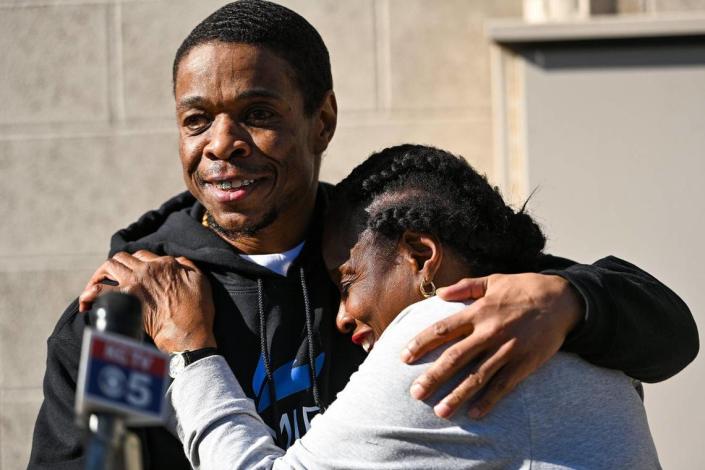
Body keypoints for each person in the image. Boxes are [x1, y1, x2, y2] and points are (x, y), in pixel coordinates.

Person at [29, 1, 697, 469]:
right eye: (196, 119)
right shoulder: (136, 311)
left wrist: (569, 299)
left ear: (321, 121)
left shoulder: (380, 260)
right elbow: (92, 458)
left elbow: (666, 334)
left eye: (257, 114)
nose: (221, 145)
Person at [154, 144, 662, 469]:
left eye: (348, 280)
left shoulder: (441, 331)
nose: (342, 315)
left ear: (421, 256)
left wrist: (193, 350)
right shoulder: (563, 317)